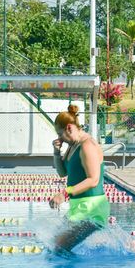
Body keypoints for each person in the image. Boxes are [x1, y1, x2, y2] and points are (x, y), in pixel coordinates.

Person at [49, 105, 111, 252]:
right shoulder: (73, 146)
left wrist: (65, 193)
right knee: (55, 242)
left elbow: (93, 179)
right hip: (79, 207)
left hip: (92, 209)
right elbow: (62, 173)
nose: (59, 138)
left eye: (60, 134)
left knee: (60, 248)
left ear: (69, 128)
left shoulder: (87, 145)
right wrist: (56, 152)